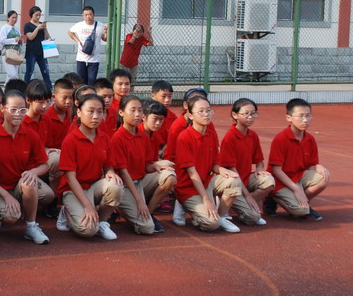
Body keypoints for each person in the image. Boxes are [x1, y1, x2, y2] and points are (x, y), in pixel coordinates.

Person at [0, 90, 53, 245]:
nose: (18, 114)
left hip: (19, 185)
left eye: (22, 110)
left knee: (47, 194)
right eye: (13, 110)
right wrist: (6, 196)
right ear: (3, 109)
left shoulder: (30, 135)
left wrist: (33, 172)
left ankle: (31, 226)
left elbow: (44, 165)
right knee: (11, 217)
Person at [56, 93, 123, 240]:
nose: (96, 116)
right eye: (90, 111)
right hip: (72, 190)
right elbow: (70, 178)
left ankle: (102, 221)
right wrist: (87, 205)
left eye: (100, 112)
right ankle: (67, 212)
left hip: (93, 187)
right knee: (88, 231)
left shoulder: (104, 137)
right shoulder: (70, 140)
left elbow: (108, 166)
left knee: (116, 185)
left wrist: (110, 172)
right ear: (79, 112)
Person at [172, 94, 243, 233]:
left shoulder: (211, 133)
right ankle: (184, 205)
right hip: (188, 188)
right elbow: (192, 172)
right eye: (201, 111)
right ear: (190, 115)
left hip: (207, 182)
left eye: (209, 110)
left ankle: (221, 216)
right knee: (211, 224)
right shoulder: (184, 137)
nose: (206, 114)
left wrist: (221, 169)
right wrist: (206, 199)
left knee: (234, 180)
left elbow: (214, 164)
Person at [110, 95, 174, 235]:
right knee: (147, 228)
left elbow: (146, 166)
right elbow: (124, 173)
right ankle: (118, 208)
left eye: (139, 110)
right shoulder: (117, 138)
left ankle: (147, 212)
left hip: (141, 182)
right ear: (121, 112)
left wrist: (156, 167)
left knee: (169, 175)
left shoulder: (142, 136)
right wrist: (139, 201)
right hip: (125, 186)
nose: (137, 114)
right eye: (133, 110)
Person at [266, 98, 331, 221]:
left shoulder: (310, 139)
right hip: (280, 180)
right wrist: (296, 189)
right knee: (300, 212)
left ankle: (303, 202)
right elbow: (276, 170)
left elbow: (311, 166)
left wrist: (318, 166)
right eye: (300, 116)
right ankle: (273, 198)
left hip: (299, 176)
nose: (305, 120)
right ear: (289, 118)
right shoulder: (281, 139)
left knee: (324, 178)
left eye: (308, 115)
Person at [218, 98, 274, 226]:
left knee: (269, 180)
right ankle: (237, 206)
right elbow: (232, 170)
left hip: (246, 180)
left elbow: (259, 161)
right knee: (253, 217)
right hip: (234, 182)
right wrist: (247, 195)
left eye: (253, 113)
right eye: (246, 114)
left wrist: (259, 169)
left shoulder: (253, 135)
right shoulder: (230, 137)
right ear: (235, 115)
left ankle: (247, 205)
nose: (250, 117)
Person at [67, 6, 107, 85]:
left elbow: (104, 39)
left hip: (94, 59)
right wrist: (78, 41)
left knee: (91, 80)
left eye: (90, 14)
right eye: (86, 15)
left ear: (94, 15)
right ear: (83, 16)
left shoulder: (100, 26)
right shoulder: (79, 25)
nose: (88, 16)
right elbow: (70, 32)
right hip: (81, 58)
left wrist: (106, 33)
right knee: (81, 81)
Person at [23, 6, 52, 91]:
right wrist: (37, 28)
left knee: (45, 72)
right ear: (32, 15)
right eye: (36, 15)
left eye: (39, 15)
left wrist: (45, 29)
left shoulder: (41, 24)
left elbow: (47, 37)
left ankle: (50, 89)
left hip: (42, 52)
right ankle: (26, 89)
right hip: (31, 52)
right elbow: (30, 37)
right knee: (29, 71)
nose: (38, 17)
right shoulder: (27, 25)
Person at [0, 10, 23, 83]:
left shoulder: (17, 29)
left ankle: (7, 88)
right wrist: (14, 39)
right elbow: (2, 40)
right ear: (8, 18)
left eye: (16, 18)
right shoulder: (4, 28)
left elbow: (20, 41)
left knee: (11, 75)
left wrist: (20, 40)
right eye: (13, 17)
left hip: (16, 52)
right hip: (7, 52)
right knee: (13, 74)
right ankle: (14, 87)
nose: (14, 19)